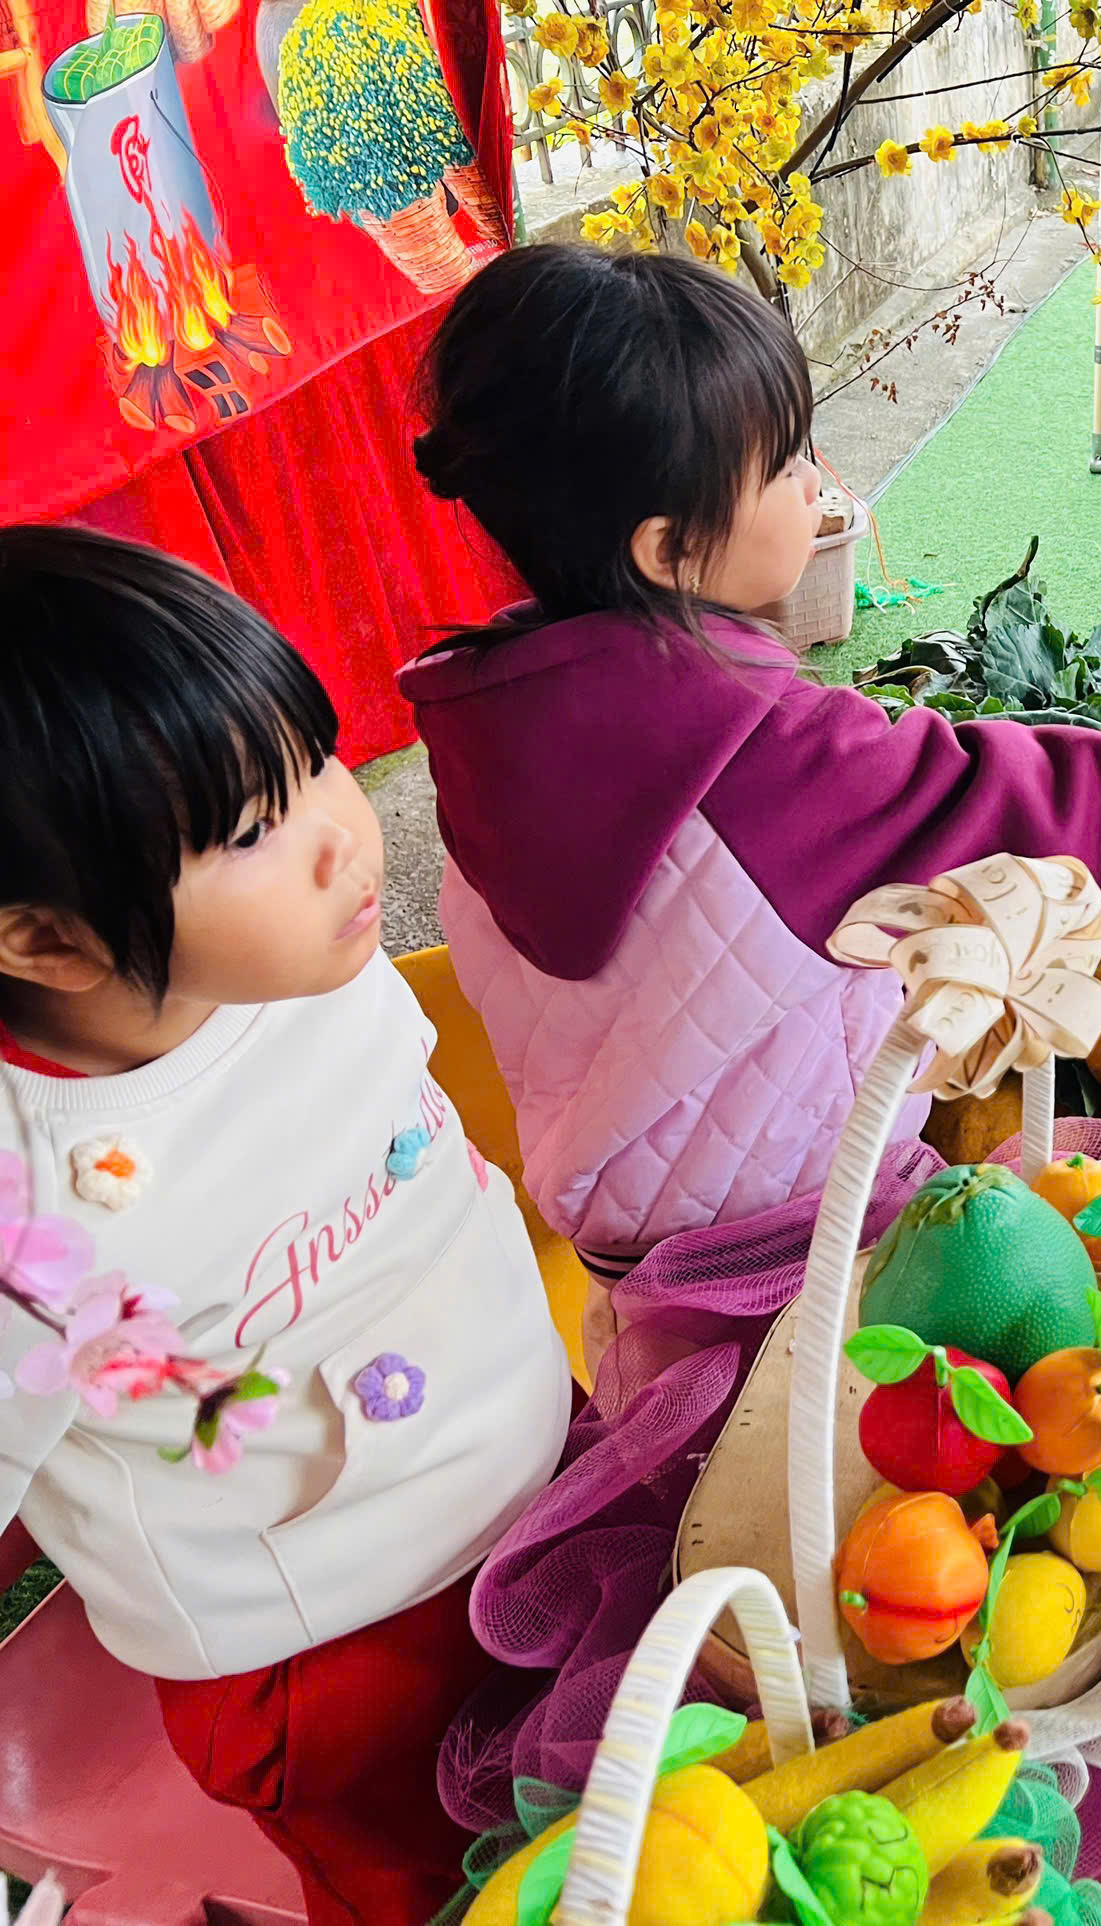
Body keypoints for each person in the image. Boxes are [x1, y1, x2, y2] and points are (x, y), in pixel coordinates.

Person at [402, 245, 1101, 1333]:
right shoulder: (773, 759)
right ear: (670, 548)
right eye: (784, 465)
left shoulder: (491, 724)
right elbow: (1018, 801)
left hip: (631, 1264)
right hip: (809, 1244)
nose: (814, 481)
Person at [0, 529, 572, 1926]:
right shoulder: (29, 1215)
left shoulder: (304, 950)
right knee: (445, 1894)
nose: (345, 829)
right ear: (46, 941)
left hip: (543, 1459)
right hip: (334, 1647)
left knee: (620, 1810)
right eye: (254, 827)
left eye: (313, 757)